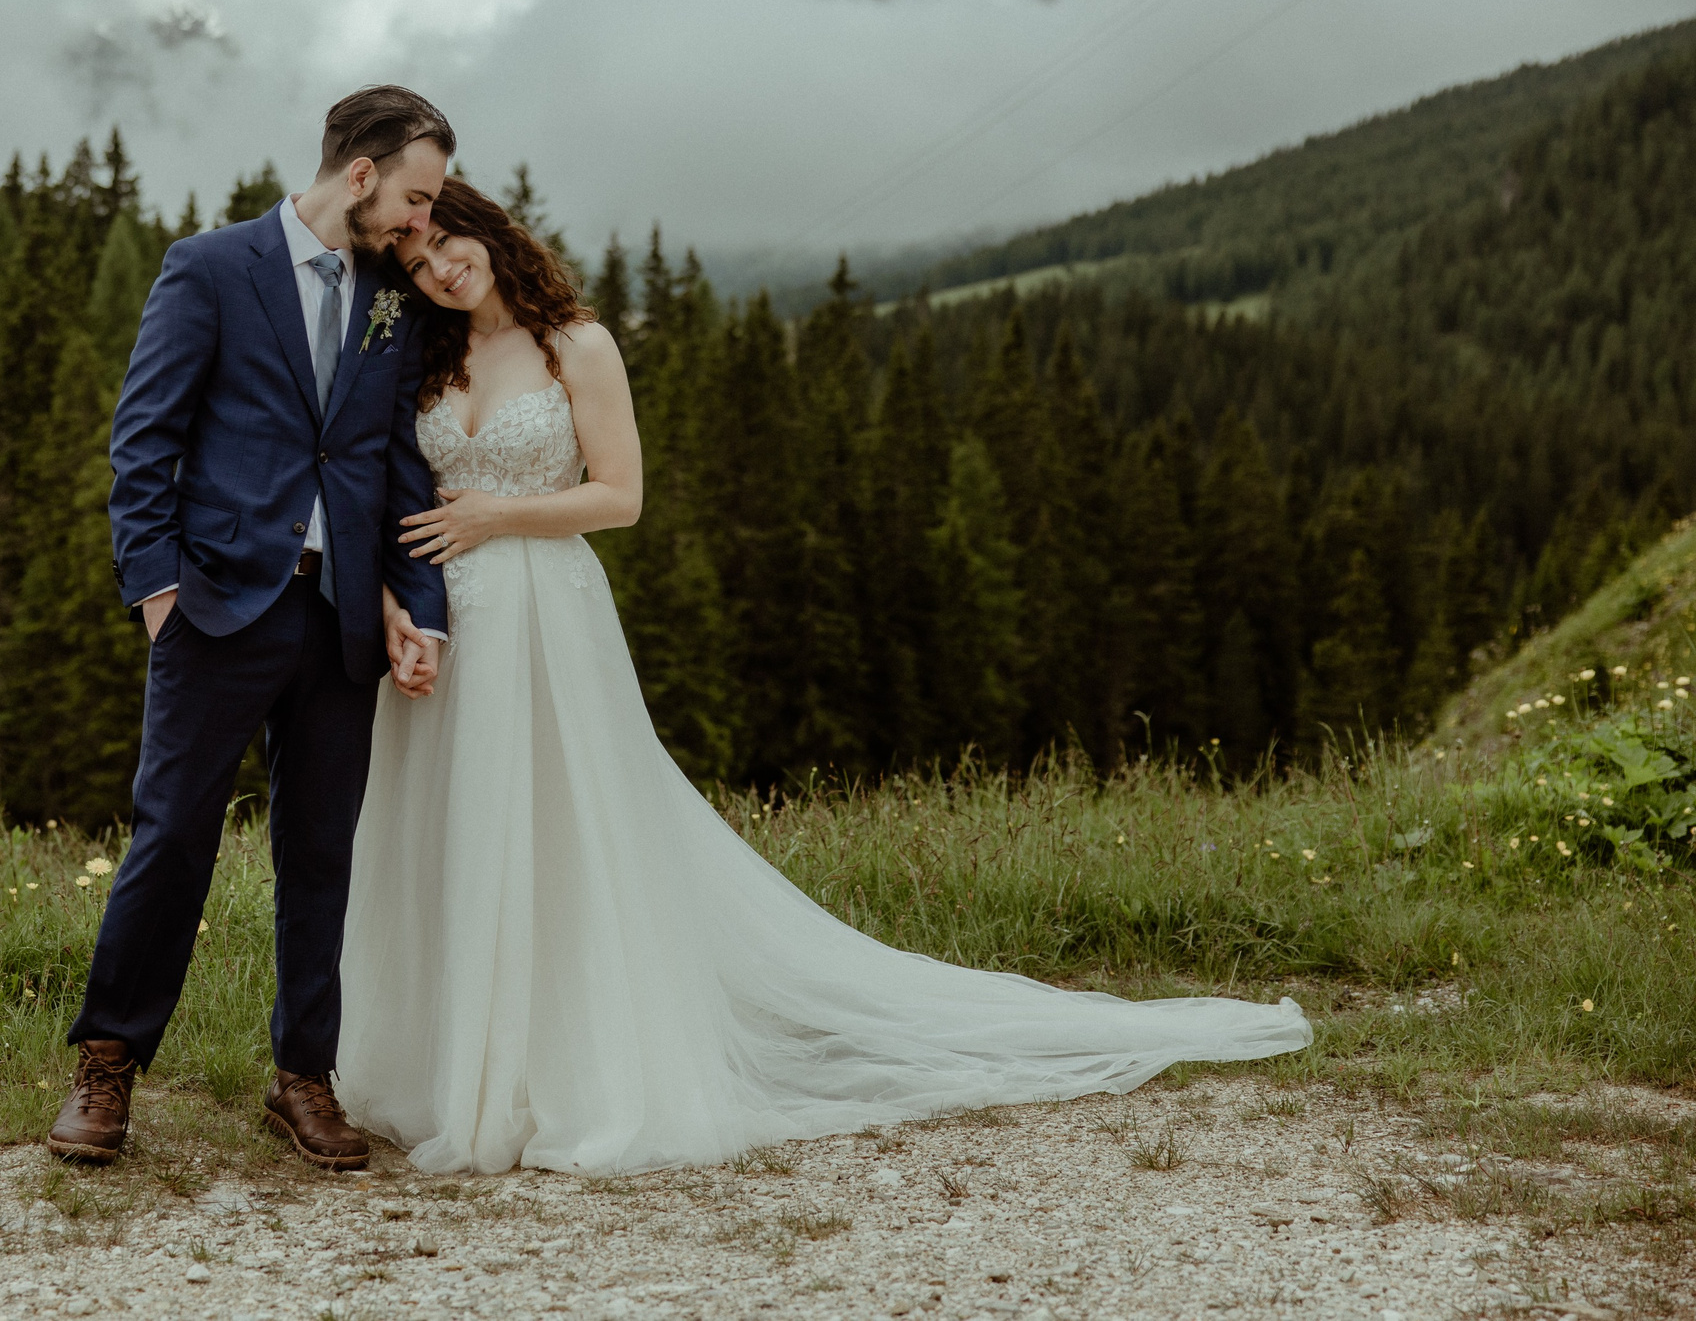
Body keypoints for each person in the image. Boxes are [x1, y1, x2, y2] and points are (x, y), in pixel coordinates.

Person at [336, 177, 1311, 1175]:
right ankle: (458, 1063)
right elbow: (385, 494)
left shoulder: (573, 344)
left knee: (558, 829)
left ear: (487, 231)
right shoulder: (421, 355)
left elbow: (618, 497)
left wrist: (495, 514)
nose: (438, 268)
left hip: (546, 610)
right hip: (443, 626)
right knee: (450, 831)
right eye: (414, 264)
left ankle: (561, 1065)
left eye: (446, 242)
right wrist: (397, 603)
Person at [50, 86, 456, 1170]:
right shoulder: (210, 267)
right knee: (172, 835)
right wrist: (157, 594)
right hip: (216, 607)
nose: (422, 223)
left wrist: (420, 608)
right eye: (415, 197)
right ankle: (105, 1068)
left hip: (340, 625)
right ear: (359, 174)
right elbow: (144, 442)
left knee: (320, 853)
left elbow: (392, 464)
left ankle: (302, 1079)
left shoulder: (392, 303)